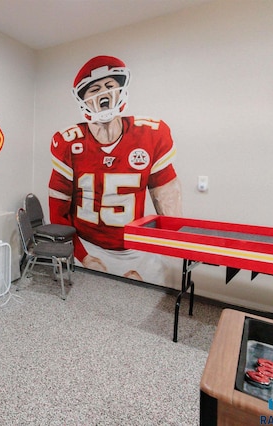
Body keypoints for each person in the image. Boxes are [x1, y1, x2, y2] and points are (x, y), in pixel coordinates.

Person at [48, 55, 182, 283]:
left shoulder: (150, 134)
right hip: (89, 244)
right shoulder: (68, 142)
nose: (103, 95)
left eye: (110, 86)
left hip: (137, 248)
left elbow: (169, 209)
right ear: (83, 99)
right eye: (94, 89)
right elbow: (58, 212)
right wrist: (82, 254)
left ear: (122, 90)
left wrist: (171, 250)